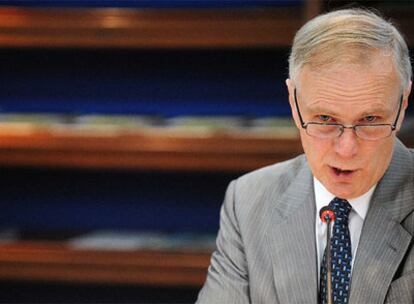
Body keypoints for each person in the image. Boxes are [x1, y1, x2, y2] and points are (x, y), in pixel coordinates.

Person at [196, 8, 414, 304]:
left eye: (371, 119)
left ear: (402, 105)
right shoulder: (247, 201)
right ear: (293, 102)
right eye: (325, 118)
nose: (347, 148)